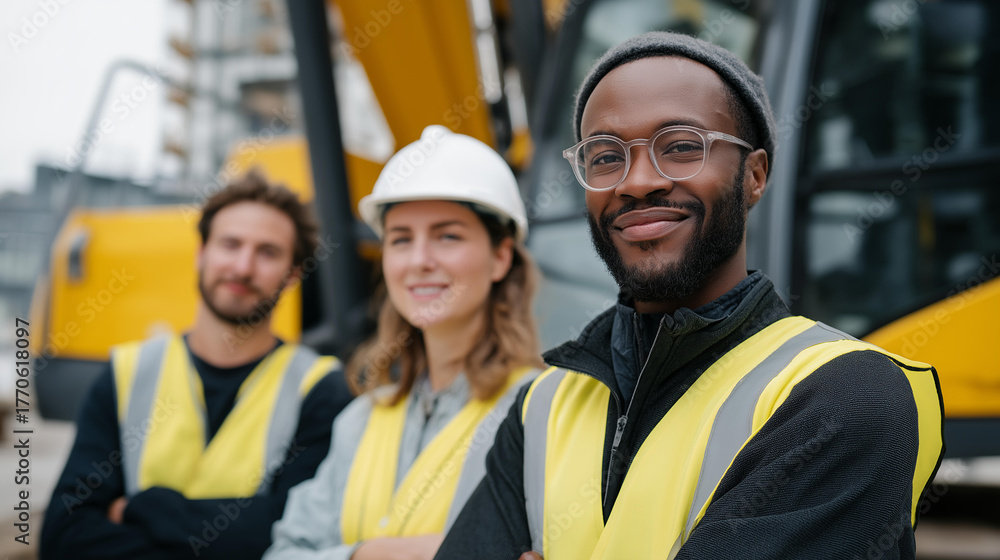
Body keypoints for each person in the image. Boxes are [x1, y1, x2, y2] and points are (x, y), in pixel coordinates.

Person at [435, 32, 945, 560]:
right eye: (606, 157)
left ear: (754, 175)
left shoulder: (846, 395)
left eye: (680, 146)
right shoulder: (541, 408)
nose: (636, 182)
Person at [263, 125, 544, 560]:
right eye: (400, 239)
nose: (419, 261)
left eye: (447, 235)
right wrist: (373, 555)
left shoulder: (541, 413)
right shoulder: (359, 420)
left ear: (501, 257)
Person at [40, 172, 353, 560]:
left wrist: (144, 507)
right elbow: (63, 536)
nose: (243, 266)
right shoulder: (128, 373)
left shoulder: (321, 390)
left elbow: (302, 534)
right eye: (230, 244)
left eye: (267, 252)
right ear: (201, 253)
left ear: (292, 275)